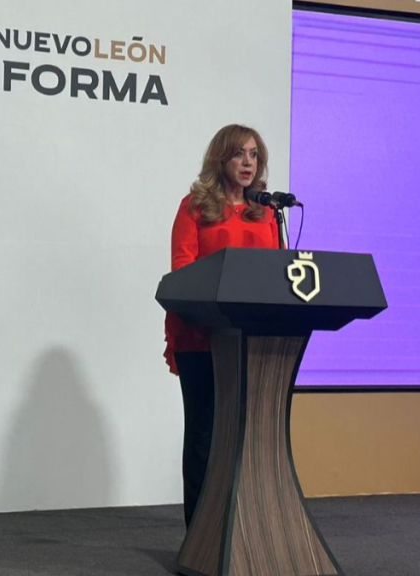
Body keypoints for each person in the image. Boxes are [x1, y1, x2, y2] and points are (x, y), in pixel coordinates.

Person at [164, 124, 280, 528]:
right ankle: (200, 534)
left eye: (254, 155)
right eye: (238, 154)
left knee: (246, 438)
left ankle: (244, 531)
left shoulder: (266, 212)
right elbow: (182, 270)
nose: (248, 163)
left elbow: (278, 277)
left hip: (253, 340)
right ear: (220, 159)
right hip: (201, 336)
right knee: (204, 436)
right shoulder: (195, 206)